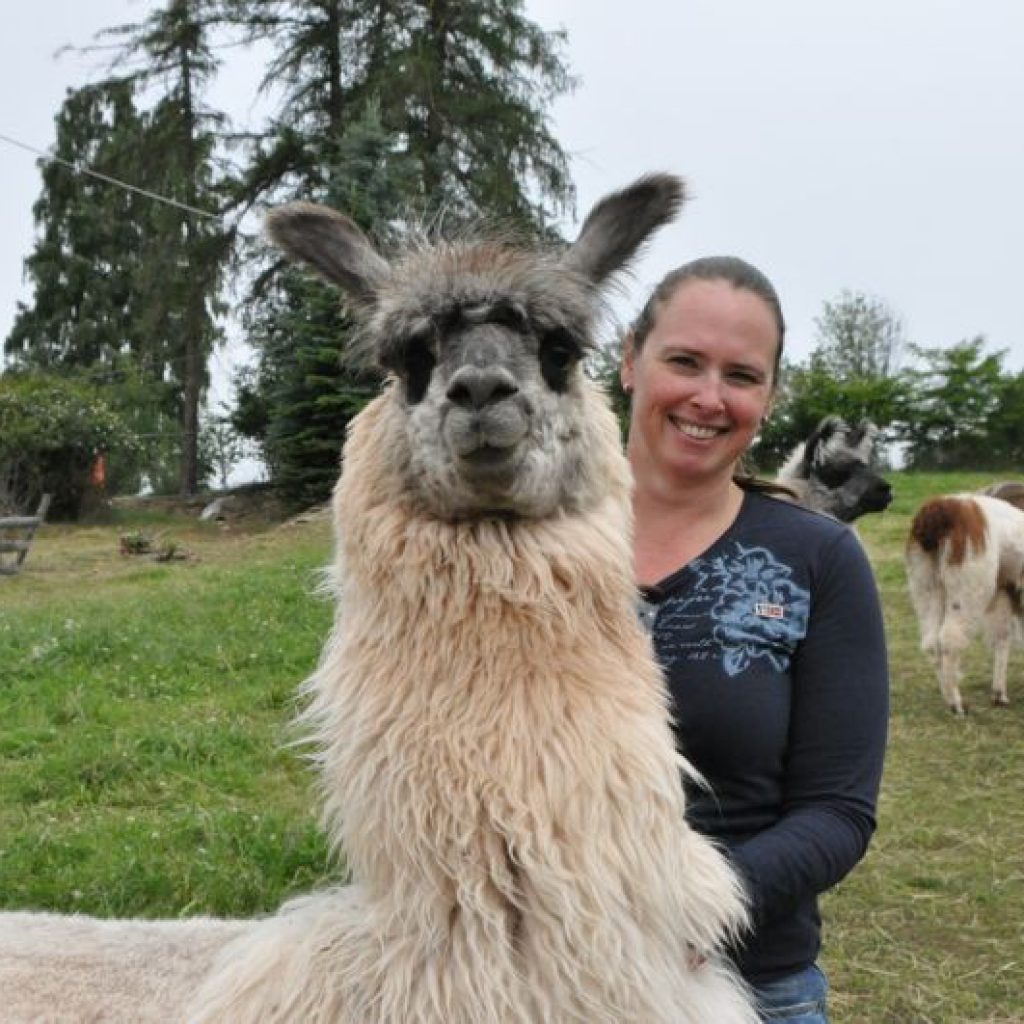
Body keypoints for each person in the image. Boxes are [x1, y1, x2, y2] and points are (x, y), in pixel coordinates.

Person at [620, 257, 889, 1024]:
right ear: (629, 360)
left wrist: (693, 908)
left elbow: (838, 811)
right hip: (533, 981)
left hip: (751, 990)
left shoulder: (816, 559)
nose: (709, 396)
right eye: (684, 361)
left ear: (768, 399)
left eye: (741, 375)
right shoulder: (532, 546)